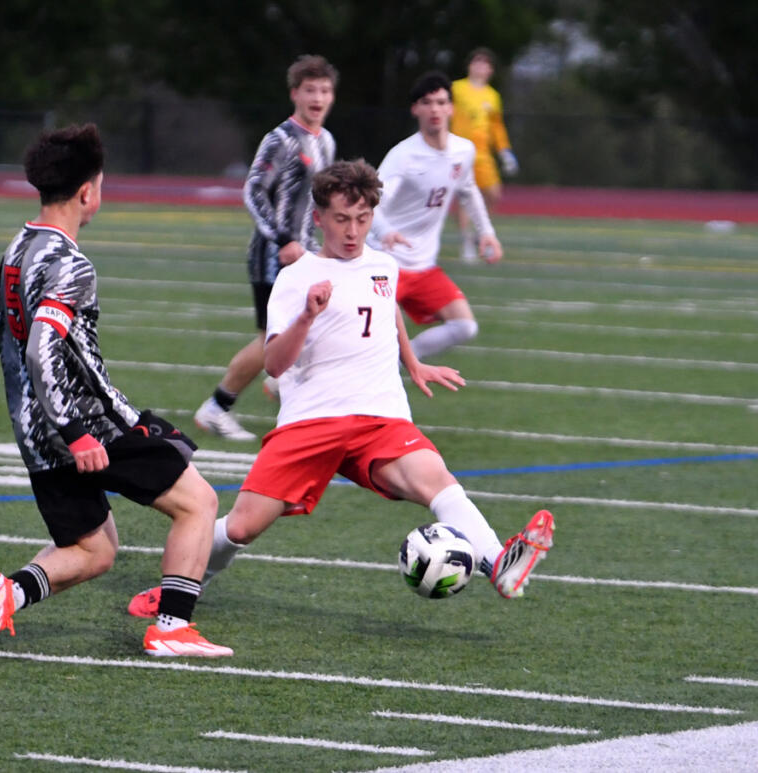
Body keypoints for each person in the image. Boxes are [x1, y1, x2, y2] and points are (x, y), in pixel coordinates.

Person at [127, 159, 554, 628]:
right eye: (341, 219)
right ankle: (182, 585)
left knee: (438, 480)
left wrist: (412, 363)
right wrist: (308, 316)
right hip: (313, 419)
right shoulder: (296, 277)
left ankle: (500, 566)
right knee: (245, 524)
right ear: (318, 218)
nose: (353, 231)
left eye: (363, 219)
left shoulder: (384, 265)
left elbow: (387, 311)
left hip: (379, 414)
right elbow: (272, 364)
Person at [0, 123, 232, 658]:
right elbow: (43, 344)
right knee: (199, 503)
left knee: (94, 551)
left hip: (35, 434)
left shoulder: (18, 246)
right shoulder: (71, 263)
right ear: (88, 191)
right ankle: (172, 629)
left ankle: (7, 592)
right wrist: (77, 431)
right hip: (89, 426)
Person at [194, 54, 338, 441]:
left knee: (318, 325)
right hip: (273, 257)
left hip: (307, 255)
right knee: (269, 339)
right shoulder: (282, 139)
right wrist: (283, 239)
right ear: (295, 94)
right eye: (310, 90)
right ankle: (216, 408)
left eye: (324, 90)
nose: (317, 97)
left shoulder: (325, 140)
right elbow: (253, 190)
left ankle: (286, 389)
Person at [369, 70, 503, 361]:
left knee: (465, 326)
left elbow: (468, 191)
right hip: (385, 262)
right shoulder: (403, 155)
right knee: (359, 337)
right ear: (415, 109)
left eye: (442, 102)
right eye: (427, 103)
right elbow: (371, 202)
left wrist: (486, 233)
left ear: (451, 108)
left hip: (424, 265)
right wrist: (384, 232)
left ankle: (401, 362)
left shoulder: (463, 151)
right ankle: (295, 377)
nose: (436, 110)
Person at [450, 47, 518, 262]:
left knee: (494, 194)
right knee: (464, 197)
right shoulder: (457, 89)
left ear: (490, 70)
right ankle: (467, 240)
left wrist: (505, 151)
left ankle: (481, 232)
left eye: (485, 63)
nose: (480, 67)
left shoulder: (492, 96)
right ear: (469, 66)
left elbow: (496, 127)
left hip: (483, 154)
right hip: (459, 151)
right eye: (476, 62)